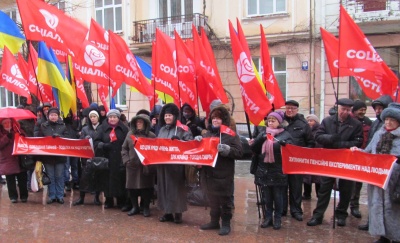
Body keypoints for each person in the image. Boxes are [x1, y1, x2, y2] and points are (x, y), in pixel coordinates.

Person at [307, 98, 363, 227]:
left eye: (348, 110)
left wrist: (341, 144)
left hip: (346, 160)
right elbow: (318, 136)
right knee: (324, 188)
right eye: (343, 109)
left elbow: (358, 141)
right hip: (329, 159)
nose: (345, 112)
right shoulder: (327, 121)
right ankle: (318, 215)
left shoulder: (355, 124)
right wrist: (331, 138)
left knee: (346, 188)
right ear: (338, 108)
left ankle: (341, 213)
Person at [350, 102, 400, 243]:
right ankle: (383, 235)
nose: (388, 123)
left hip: (395, 181)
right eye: (387, 119)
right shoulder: (379, 134)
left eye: (392, 120)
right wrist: (357, 151)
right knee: (378, 206)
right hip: (377, 180)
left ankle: (396, 236)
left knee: (394, 209)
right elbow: (368, 153)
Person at [197, 105, 243, 235]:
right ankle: (214, 221)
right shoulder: (207, 134)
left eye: (218, 118)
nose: (215, 121)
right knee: (212, 199)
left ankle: (226, 224)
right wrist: (198, 142)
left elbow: (240, 152)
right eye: (213, 118)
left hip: (223, 174)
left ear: (223, 120)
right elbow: (200, 152)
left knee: (225, 200)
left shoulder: (231, 134)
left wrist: (228, 150)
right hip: (208, 173)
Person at [251, 111, 293, 230]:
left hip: (278, 170)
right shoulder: (263, 133)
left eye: (273, 121)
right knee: (267, 197)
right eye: (269, 121)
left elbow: (291, 149)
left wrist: (285, 145)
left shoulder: (285, 135)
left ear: (279, 122)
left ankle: (278, 218)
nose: (270, 123)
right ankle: (268, 217)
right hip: (264, 169)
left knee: (278, 196)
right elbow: (254, 149)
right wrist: (260, 139)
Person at [358, 95, 393, 231]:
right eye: (376, 108)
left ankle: (392, 232)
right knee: (375, 200)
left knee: (391, 204)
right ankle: (375, 224)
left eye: (381, 108)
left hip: (392, 173)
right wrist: (360, 152)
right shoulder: (377, 126)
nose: (378, 111)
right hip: (376, 169)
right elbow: (370, 146)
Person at [157, 103, 193, 224]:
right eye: (166, 115)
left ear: (175, 116)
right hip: (163, 165)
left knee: (176, 189)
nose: (167, 117)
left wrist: (180, 141)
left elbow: (190, 144)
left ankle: (178, 213)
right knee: (164, 189)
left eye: (170, 115)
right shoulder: (162, 129)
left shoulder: (183, 129)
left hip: (176, 165)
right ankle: (167, 212)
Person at [283, 100, 315, 221]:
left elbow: (311, 142)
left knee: (296, 187)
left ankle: (296, 210)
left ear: (297, 109)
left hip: (296, 162)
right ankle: (282, 209)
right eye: (287, 108)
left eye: (292, 108)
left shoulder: (303, 124)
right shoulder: (280, 122)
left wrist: (303, 154)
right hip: (283, 160)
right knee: (282, 186)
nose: (289, 110)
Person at [121, 114, 156, 217]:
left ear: (146, 123)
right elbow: (124, 149)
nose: (138, 123)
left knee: (146, 188)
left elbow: (155, 150)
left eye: (141, 122)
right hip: (132, 166)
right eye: (137, 122)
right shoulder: (129, 134)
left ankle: (145, 207)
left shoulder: (151, 136)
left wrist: (151, 162)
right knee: (132, 188)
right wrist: (126, 160)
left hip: (146, 166)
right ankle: (135, 207)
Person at [94, 109, 129, 209]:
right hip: (107, 158)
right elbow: (96, 142)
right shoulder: (102, 128)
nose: (112, 119)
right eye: (110, 117)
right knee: (107, 180)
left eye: (114, 117)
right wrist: (104, 145)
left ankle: (121, 200)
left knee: (120, 180)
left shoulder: (124, 129)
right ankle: (109, 200)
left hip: (120, 158)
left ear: (118, 118)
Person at [37, 107, 68, 204]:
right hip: (48, 156)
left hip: (60, 155)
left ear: (58, 116)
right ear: (48, 116)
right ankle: (52, 195)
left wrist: (60, 137)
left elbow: (68, 139)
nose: (53, 117)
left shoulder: (63, 126)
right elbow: (39, 139)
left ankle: (60, 195)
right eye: (51, 115)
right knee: (51, 176)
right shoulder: (43, 126)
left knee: (59, 176)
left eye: (55, 115)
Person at [73, 110, 103, 206]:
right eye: (91, 117)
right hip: (87, 157)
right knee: (84, 178)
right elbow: (80, 141)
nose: (93, 118)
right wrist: (84, 138)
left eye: (94, 116)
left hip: (98, 156)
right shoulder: (85, 129)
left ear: (98, 117)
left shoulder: (102, 128)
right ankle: (81, 198)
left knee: (98, 177)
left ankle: (97, 198)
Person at [349, 100, 372, 219]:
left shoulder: (368, 122)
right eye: (360, 110)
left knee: (358, 183)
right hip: (349, 155)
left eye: (364, 109)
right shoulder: (349, 121)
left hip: (362, 155)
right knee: (346, 182)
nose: (362, 112)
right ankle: (342, 206)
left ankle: (354, 206)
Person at [0, 118, 28, 203]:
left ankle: (24, 196)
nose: (7, 124)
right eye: (5, 123)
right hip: (8, 159)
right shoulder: (1, 133)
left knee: (22, 178)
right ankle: (13, 196)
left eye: (9, 122)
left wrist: (21, 134)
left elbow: (25, 139)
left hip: (19, 158)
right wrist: (6, 137)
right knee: (10, 179)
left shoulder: (17, 130)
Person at [302, 114, 321, 200]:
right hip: (308, 156)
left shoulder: (319, 130)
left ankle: (319, 194)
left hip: (317, 156)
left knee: (318, 177)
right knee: (307, 177)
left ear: (315, 121)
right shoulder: (306, 130)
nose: (309, 122)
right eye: (308, 121)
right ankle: (306, 194)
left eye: (311, 120)